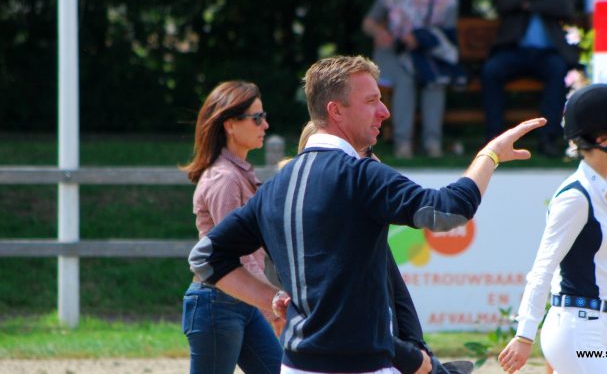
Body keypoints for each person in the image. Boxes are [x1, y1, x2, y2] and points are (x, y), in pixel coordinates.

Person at [189, 55, 546, 374]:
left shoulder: (277, 185)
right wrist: (489, 155)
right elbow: (447, 212)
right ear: (336, 111)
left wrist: (272, 300)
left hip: (296, 365)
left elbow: (206, 258)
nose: (385, 111)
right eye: (372, 101)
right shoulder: (360, 174)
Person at [498, 83, 607, 374]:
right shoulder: (574, 198)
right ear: (602, 139)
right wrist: (524, 334)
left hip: (594, 328)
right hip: (574, 330)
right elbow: (543, 267)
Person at [286, 121, 474, 374]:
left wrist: (420, 351)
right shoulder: (324, 228)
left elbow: (398, 294)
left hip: (380, 349)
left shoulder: (363, 217)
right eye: (364, 150)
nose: (374, 158)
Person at [180, 81, 283, 374]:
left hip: (239, 302)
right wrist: (271, 307)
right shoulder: (225, 179)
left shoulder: (238, 175)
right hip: (217, 304)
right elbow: (234, 256)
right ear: (230, 125)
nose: (265, 124)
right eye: (257, 118)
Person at [363, 0, 464, 158]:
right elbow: (368, 23)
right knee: (405, 80)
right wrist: (379, 32)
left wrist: (421, 38)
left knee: (434, 81)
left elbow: (446, 34)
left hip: (427, 55)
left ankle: (433, 143)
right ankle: (403, 144)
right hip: (394, 53)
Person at [481, 0, 579, 158]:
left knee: (558, 71)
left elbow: (565, 6)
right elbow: (503, 2)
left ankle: (547, 139)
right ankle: (494, 138)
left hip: (547, 54)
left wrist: (530, 5)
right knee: (491, 71)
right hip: (513, 51)